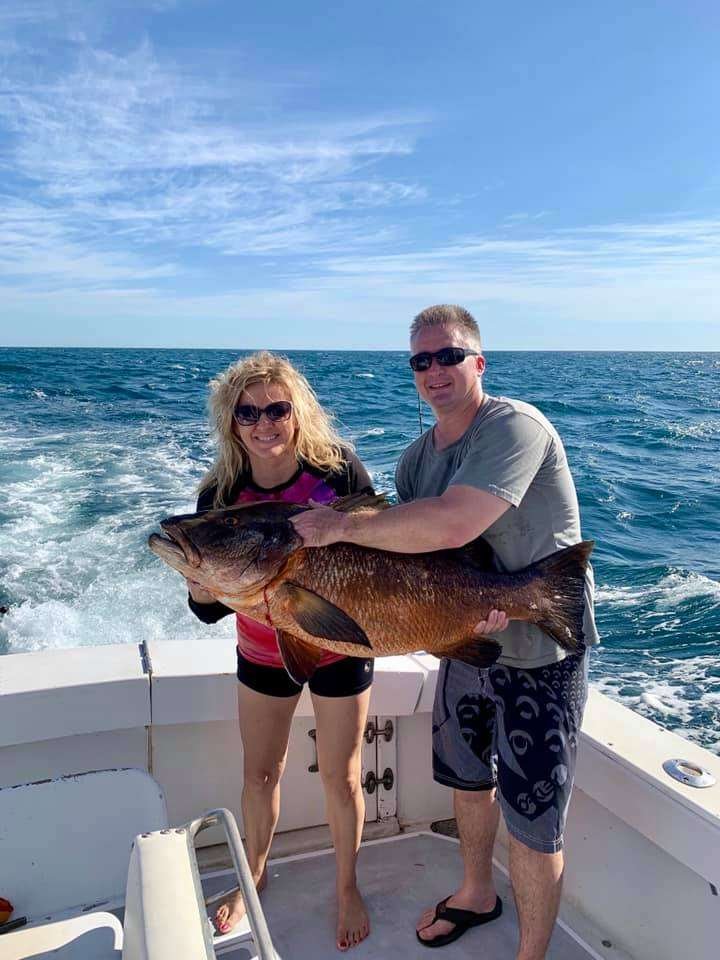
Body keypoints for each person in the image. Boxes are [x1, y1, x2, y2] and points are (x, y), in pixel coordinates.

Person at [291, 305, 598, 960]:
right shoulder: (411, 463)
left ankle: (530, 954)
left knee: (534, 822)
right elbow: (422, 556)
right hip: (468, 643)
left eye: (449, 355)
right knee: (465, 777)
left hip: (542, 645)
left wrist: (339, 526)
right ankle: (474, 892)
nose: (435, 370)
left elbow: (456, 524)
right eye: (421, 360)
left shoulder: (515, 427)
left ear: (478, 363)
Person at [187, 351, 375, 951]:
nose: (263, 422)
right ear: (232, 422)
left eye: (276, 408)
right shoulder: (218, 493)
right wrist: (200, 590)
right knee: (260, 773)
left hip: (340, 644)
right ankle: (255, 874)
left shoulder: (338, 471)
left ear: (297, 413)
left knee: (343, 777)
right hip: (263, 650)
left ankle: (347, 886)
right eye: (248, 412)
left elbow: (384, 544)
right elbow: (212, 608)